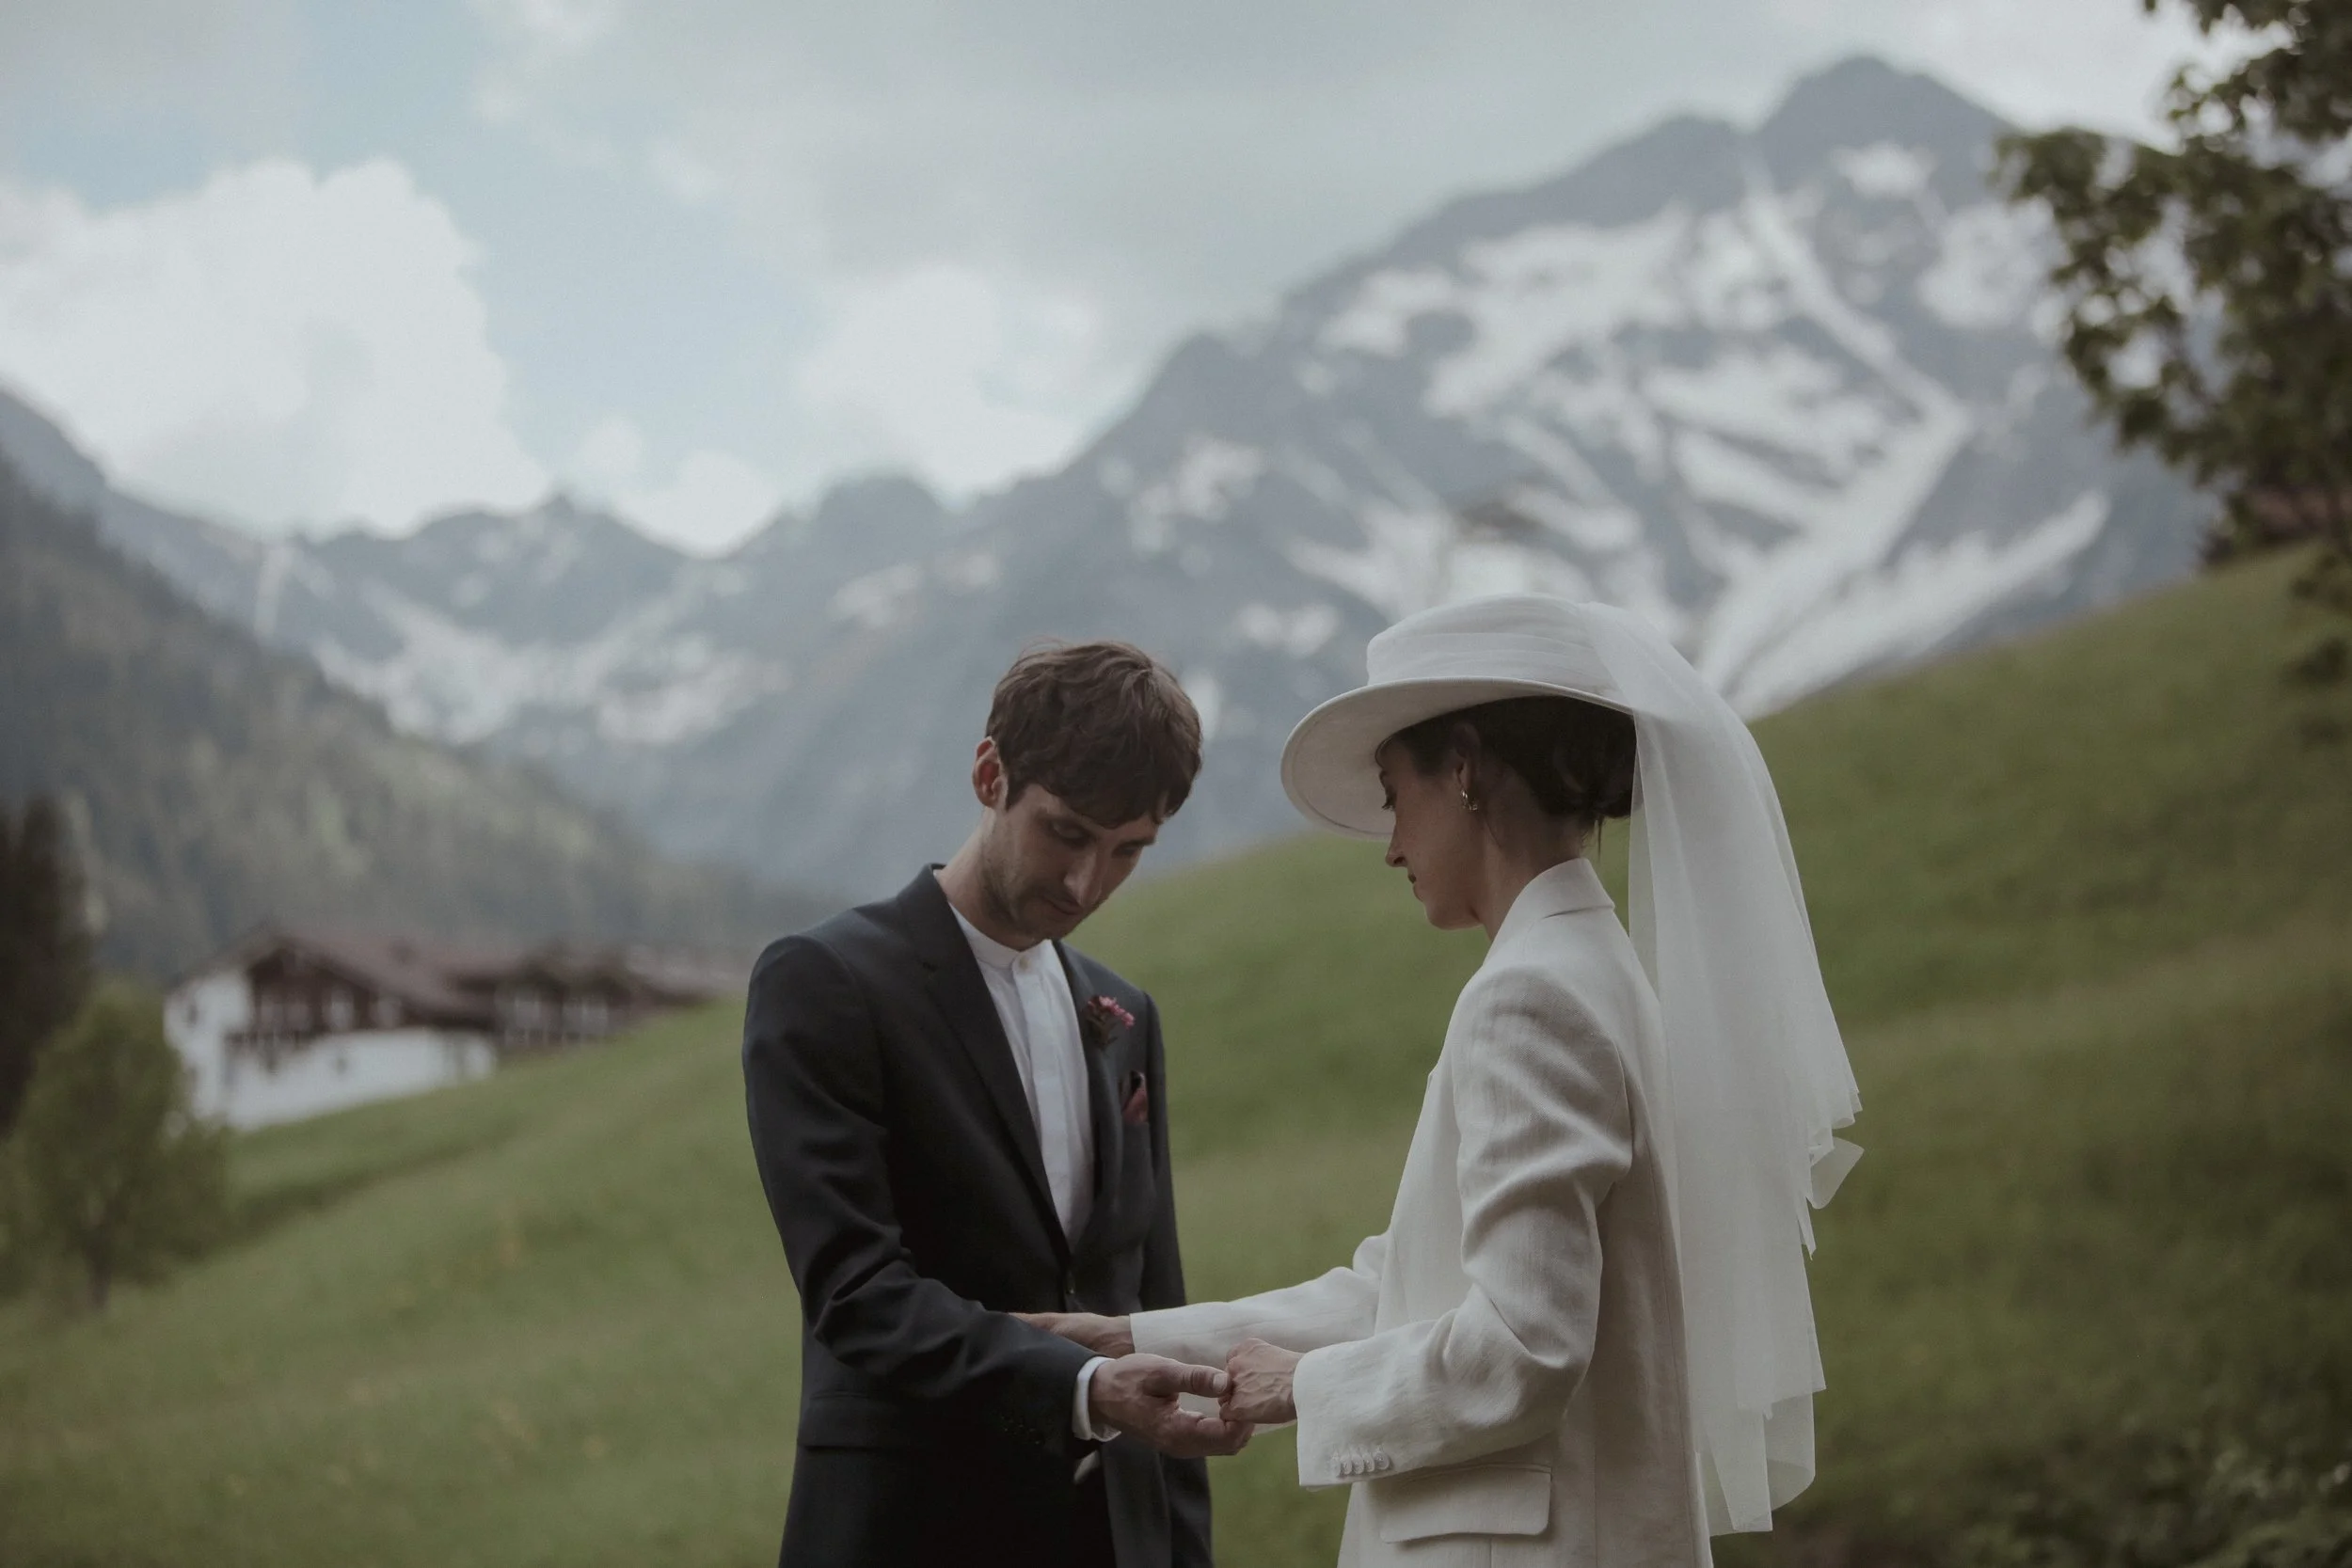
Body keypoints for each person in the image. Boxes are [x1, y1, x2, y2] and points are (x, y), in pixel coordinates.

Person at [1028, 595, 1863, 1568]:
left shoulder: (1530, 997)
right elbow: (1411, 1283)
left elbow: (1525, 1341)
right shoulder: (1594, 966)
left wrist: (1303, 1387)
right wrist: (1129, 1338)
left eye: (1393, 795)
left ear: (1462, 769)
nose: (1390, 844)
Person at [740, 640, 1247, 1568]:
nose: (1085, 882)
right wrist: (1087, 1384)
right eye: (1065, 831)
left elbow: (1151, 1300)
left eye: (1127, 850)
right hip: (911, 1526)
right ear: (989, 773)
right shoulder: (827, 981)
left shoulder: (1126, 1013)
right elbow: (857, 1292)